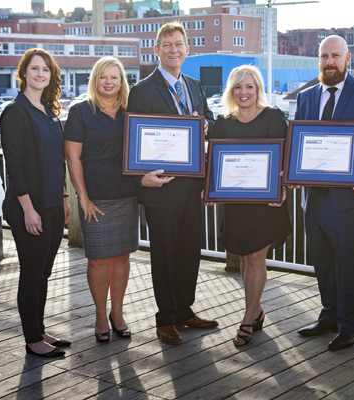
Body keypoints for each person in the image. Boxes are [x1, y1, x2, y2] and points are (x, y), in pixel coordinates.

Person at [126, 21, 217, 345]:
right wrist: (141, 178)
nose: (173, 50)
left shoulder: (193, 85)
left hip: (192, 188)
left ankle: (184, 310)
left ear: (187, 49)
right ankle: (165, 319)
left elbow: (207, 120)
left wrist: (206, 125)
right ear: (157, 50)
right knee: (163, 255)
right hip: (161, 188)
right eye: (167, 45)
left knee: (190, 252)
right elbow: (132, 142)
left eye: (179, 44)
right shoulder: (142, 90)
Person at [295, 35, 354, 350]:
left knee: (349, 263)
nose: (329, 62)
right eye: (324, 56)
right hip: (314, 197)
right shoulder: (307, 97)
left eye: (335, 56)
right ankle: (329, 316)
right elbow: (299, 142)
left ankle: (351, 326)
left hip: (350, 197)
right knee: (323, 262)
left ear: (348, 60)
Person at [209, 65, 292, 346]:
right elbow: (214, 162)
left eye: (249, 87)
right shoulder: (223, 121)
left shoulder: (273, 117)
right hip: (236, 203)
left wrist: (281, 188)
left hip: (265, 203)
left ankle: (246, 319)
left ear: (258, 90)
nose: (243, 92)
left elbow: (283, 160)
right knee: (244, 257)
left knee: (256, 259)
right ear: (231, 91)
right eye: (238, 87)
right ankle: (256, 311)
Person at [0, 48, 72, 358]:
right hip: (29, 207)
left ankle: (40, 329)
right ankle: (32, 340)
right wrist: (28, 209)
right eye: (34, 69)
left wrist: (66, 199)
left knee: (44, 272)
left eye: (45, 70)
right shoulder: (15, 113)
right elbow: (14, 166)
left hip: (55, 205)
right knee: (31, 272)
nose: (40, 74)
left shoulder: (50, 112)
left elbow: (59, 161)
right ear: (24, 73)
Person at [64, 57, 138, 342]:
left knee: (122, 257)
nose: (109, 82)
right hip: (94, 198)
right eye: (103, 77)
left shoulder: (131, 112)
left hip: (127, 194)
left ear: (122, 82)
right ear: (95, 80)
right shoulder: (81, 112)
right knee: (97, 260)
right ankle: (99, 314)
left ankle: (117, 314)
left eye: (114, 77)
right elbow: (73, 157)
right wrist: (82, 198)